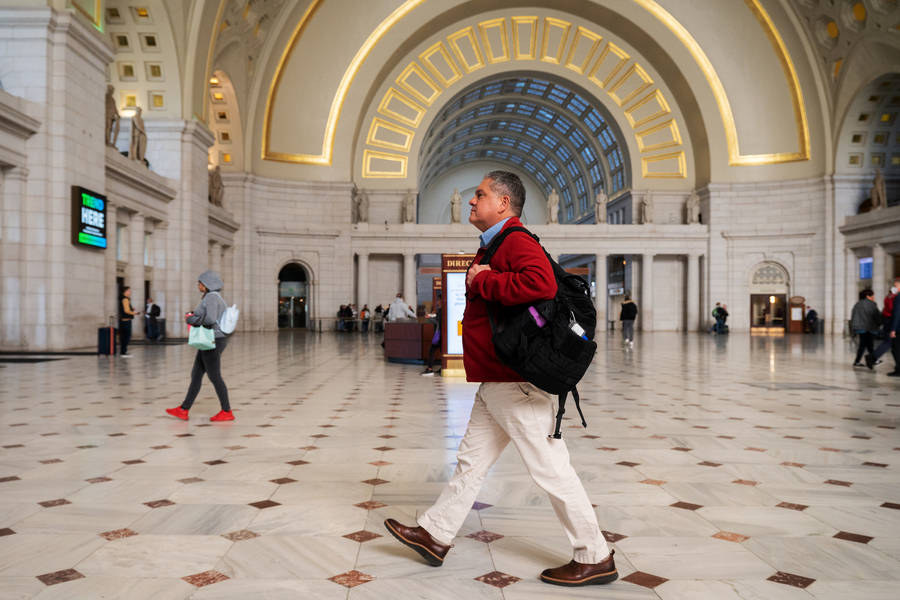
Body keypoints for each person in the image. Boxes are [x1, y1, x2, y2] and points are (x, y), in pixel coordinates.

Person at [384, 171, 617, 588]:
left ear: (504, 203)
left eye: (480, 194)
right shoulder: (495, 243)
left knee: (551, 469)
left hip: (517, 383)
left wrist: (483, 280)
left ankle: (595, 555)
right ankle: (436, 534)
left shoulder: (515, 239)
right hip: (498, 380)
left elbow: (540, 283)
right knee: (471, 463)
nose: (472, 201)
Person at [165, 271, 233, 422]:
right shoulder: (215, 297)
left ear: (207, 284)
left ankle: (227, 411)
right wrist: (195, 316)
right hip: (211, 339)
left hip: (213, 340)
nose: (198, 285)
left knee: (214, 376)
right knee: (196, 375)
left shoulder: (211, 297)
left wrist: (191, 319)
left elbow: (210, 319)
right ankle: (183, 409)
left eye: (200, 283)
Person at [869, 278, 899, 368]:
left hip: (888, 321)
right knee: (889, 342)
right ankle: (872, 357)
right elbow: (894, 312)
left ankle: (872, 357)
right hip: (891, 322)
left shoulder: (888, 298)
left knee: (890, 343)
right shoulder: (894, 298)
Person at [850, 289, 881, 368]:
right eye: (872, 295)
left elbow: (853, 316)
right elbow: (876, 316)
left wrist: (853, 328)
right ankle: (873, 360)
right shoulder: (872, 304)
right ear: (868, 296)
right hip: (869, 328)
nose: (873, 297)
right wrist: (880, 323)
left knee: (864, 345)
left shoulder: (857, 304)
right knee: (868, 345)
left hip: (860, 328)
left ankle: (859, 361)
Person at [422, 300, 442, 375]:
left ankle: (430, 368)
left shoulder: (441, 311)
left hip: (440, 335)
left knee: (432, 350)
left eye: (438, 300)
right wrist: (430, 316)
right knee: (440, 351)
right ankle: (442, 367)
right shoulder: (442, 310)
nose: (437, 302)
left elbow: (438, 322)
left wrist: (429, 318)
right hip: (442, 335)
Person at [119, 287, 139, 357]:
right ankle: (123, 352)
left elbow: (126, 309)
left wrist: (132, 309)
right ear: (125, 291)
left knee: (125, 337)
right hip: (126, 321)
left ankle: (123, 352)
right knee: (126, 337)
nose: (130, 292)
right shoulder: (125, 299)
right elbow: (126, 310)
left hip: (125, 321)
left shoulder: (125, 299)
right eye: (129, 291)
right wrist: (135, 313)